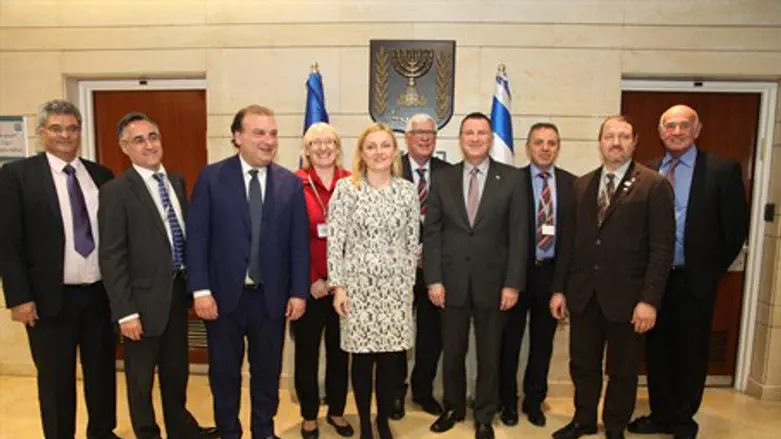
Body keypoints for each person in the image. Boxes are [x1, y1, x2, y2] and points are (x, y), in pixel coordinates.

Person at [186, 104, 310, 439]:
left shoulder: (289, 184)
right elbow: (196, 239)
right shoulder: (212, 178)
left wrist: (298, 291)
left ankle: (263, 430)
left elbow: (299, 245)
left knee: (267, 373)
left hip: (270, 300)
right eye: (259, 133)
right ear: (237, 137)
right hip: (222, 300)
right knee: (224, 374)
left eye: (272, 133)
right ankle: (228, 430)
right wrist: (200, 291)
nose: (268, 140)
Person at [0, 99, 120, 439]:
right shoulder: (17, 176)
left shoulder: (101, 175)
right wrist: (19, 298)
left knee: (101, 375)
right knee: (55, 380)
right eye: (57, 128)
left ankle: (102, 432)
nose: (65, 135)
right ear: (42, 134)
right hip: (49, 300)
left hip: (99, 297)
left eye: (72, 128)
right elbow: (8, 243)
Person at [550, 115, 675, 439]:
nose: (615, 142)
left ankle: (616, 425)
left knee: (623, 369)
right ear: (600, 142)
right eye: (609, 136)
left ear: (634, 142)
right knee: (583, 365)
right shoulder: (582, 185)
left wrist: (649, 301)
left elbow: (662, 249)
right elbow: (569, 244)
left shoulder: (654, 185)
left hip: (629, 299)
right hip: (584, 295)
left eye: (623, 136)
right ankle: (584, 420)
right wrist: (559, 290)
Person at [628, 105, 748, 439]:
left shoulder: (721, 171)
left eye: (684, 125)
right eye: (670, 125)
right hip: (655, 280)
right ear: (660, 130)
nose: (677, 131)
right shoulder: (646, 171)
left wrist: (708, 272)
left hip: (694, 280)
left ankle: (683, 420)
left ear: (697, 130)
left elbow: (735, 230)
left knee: (691, 351)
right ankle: (660, 414)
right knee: (658, 350)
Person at [98, 112, 218, 439]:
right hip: (140, 305)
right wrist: (126, 313)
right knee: (140, 380)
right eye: (139, 140)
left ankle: (181, 429)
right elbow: (112, 256)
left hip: (175, 298)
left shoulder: (176, 180)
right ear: (124, 147)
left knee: (176, 372)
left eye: (153, 137)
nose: (149, 145)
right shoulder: (116, 192)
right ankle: (147, 433)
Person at [424, 112, 528, 439]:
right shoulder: (442, 179)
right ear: (460, 138)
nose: (475, 138)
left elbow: (518, 236)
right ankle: (453, 408)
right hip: (450, 284)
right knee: (452, 351)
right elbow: (433, 234)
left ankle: (484, 414)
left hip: (494, 286)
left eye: (481, 133)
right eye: (469, 133)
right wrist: (433, 279)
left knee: (489, 354)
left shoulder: (511, 179)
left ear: (490, 137)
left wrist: (513, 283)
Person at [328, 123, 419, 439]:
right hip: (358, 290)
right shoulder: (346, 189)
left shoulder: (407, 191)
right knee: (363, 361)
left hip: (395, 290)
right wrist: (338, 287)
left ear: (394, 151)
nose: (379, 152)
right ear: (362, 153)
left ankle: (383, 419)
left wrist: (406, 288)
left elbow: (412, 243)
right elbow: (335, 242)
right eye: (372, 147)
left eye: (385, 146)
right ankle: (366, 423)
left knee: (391, 362)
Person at [498, 122, 575, 428]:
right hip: (516, 275)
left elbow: (572, 239)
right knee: (509, 343)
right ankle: (507, 402)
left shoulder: (572, 184)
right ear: (528, 147)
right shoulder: (509, 180)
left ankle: (534, 401)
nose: (545, 148)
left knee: (542, 345)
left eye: (552, 143)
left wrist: (563, 287)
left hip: (551, 275)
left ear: (558, 147)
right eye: (539, 142)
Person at [293, 122, 354, 439]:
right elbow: (290, 240)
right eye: (315, 142)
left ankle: (337, 411)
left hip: (344, 289)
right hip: (310, 288)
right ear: (306, 149)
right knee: (306, 353)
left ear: (338, 146)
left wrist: (339, 281)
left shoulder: (353, 182)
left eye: (329, 141)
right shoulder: (294, 184)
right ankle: (308, 414)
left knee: (340, 352)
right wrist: (311, 280)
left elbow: (359, 239)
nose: (322, 147)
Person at [392, 113, 451, 419]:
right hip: (397, 270)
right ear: (407, 136)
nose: (425, 138)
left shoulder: (448, 172)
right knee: (398, 333)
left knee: (432, 334)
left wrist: (432, 250)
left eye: (430, 132)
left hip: (435, 270)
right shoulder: (391, 168)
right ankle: (396, 392)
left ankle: (423, 390)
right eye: (419, 133)